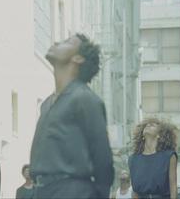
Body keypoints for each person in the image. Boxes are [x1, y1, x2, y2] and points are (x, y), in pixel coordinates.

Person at [29, 33, 115, 199]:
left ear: (78, 58)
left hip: (72, 191)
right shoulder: (47, 103)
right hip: (41, 191)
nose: (55, 41)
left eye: (67, 42)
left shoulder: (85, 98)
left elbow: (103, 162)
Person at [128, 116, 179, 199]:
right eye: (146, 125)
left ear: (159, 135)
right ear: (142, 135)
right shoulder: (133, 158)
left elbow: (173, 187)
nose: (148, 125)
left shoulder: (169, 156)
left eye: (153, 125)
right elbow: (135, 191)